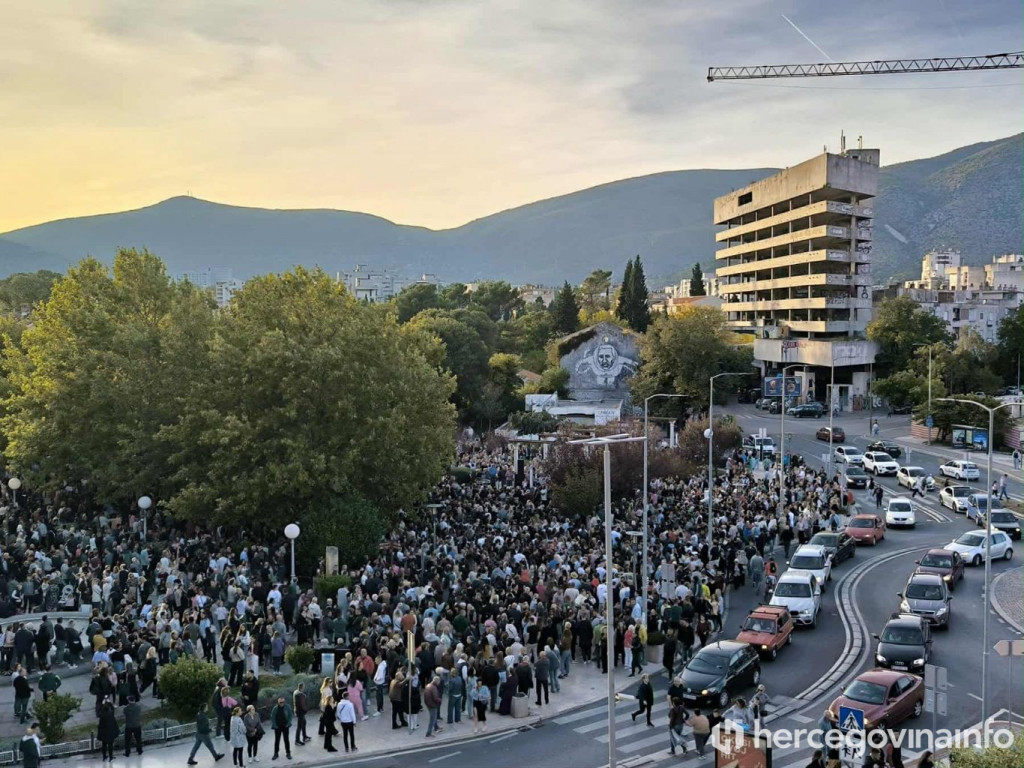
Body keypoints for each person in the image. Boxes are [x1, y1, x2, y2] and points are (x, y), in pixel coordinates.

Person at [269, 695, 292, 760]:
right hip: (277, 727)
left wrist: (288, 723)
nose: (282, 703)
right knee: (277, 741)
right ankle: (276, 754)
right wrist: (275, 725)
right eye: (280, 702)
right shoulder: (275, 708)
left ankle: (288, 753)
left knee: (286, 740)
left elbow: (290, 715)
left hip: (285, 726)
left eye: (283, 702)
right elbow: (272, 717)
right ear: (278, 702)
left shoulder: (287, 707)